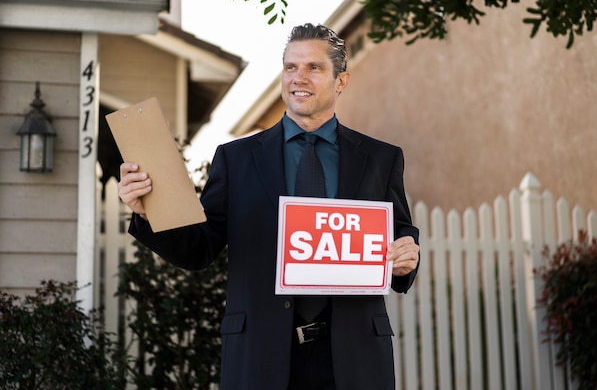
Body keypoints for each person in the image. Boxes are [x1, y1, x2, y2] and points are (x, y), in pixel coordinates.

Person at [118, 23, 420, 390]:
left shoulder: (380, 158)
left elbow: (399, 233)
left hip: (353, 354)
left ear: (341, 80)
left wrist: (406, 257)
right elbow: (200, 248)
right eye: (290, 67)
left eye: (313, 67)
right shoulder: (236, 159)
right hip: (261, 352)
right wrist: (148, 212)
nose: (298, 78)